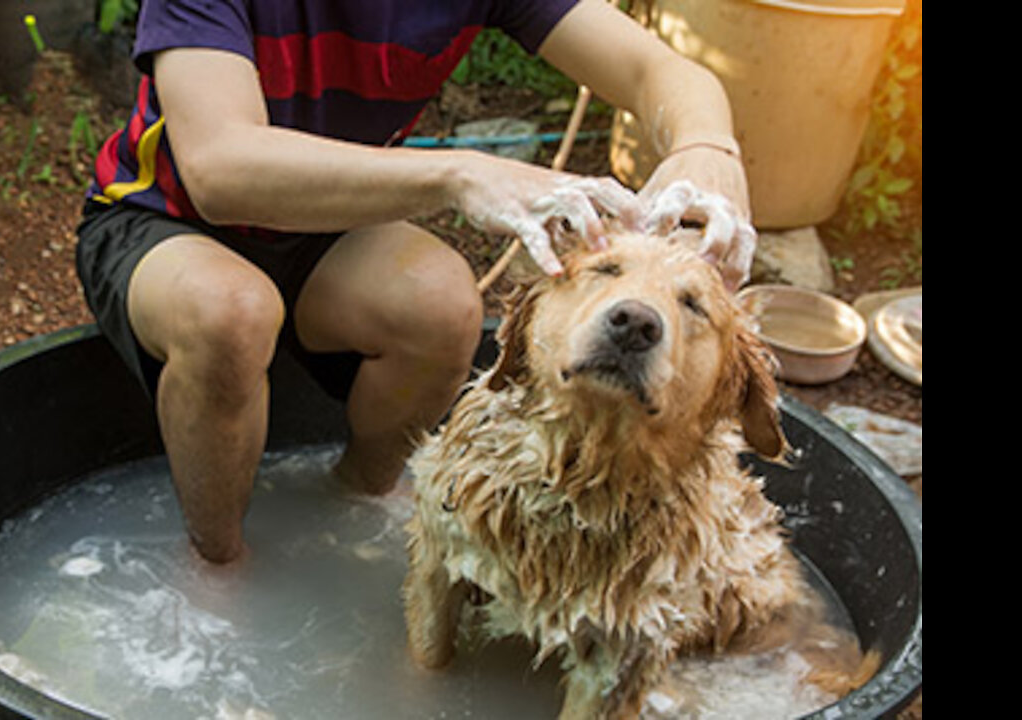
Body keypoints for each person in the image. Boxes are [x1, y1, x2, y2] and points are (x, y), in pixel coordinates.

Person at [75, 0, 757, 564]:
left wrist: (706, 145)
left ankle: (358, 501)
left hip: (323, 224)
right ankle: (217, 561)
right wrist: (459, 174)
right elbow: (221, 170)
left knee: (442, 305)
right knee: (231, 312)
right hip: (163, 218)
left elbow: (654, 67)